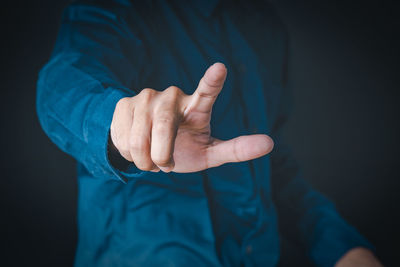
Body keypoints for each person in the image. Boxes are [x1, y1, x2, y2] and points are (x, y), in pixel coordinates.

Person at [36, 0, 383, 266]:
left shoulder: (266, 28)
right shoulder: (120, 9)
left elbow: (268, 165)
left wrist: (342, 248)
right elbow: (61, 85)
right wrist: (116, 120)